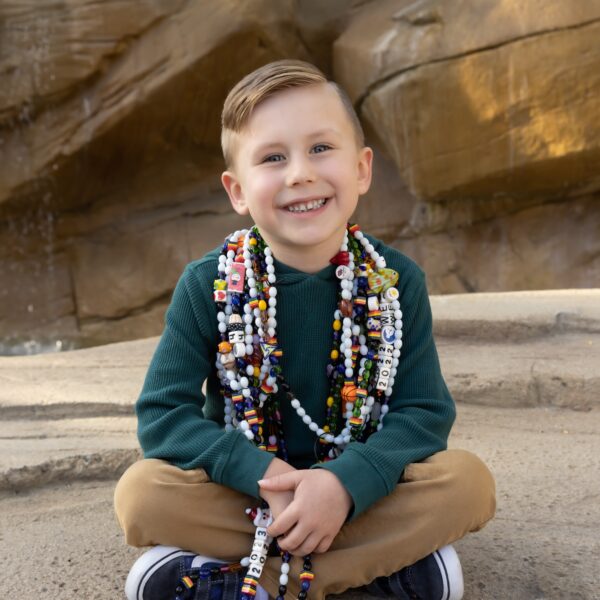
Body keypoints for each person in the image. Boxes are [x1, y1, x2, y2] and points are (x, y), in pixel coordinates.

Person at [114, 59, 496, 600]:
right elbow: (163, 417)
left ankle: (249, 580)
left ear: (361, 169)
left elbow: (424, 414)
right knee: (142, 495)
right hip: (249, 493)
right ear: (237, 190)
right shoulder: (208, 284)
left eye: (320, 148)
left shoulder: (394, 282)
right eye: (273, 157)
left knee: (467, 484)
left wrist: (343, 484)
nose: (300, 173)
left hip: (360, 492)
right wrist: (265, 475)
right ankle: (391, 571)